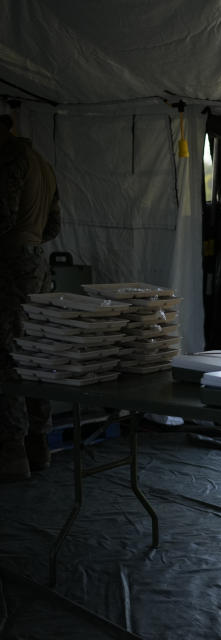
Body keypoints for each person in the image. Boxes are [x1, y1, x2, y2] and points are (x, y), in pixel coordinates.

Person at [0, 113, 61, 482]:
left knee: (4, 357)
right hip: (36, 264)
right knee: (35, 355)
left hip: (7, 265)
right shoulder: (42, 162)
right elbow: (54, 226)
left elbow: (1, 218)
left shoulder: (8, 160)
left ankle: (11, 451)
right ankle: (39, 444)